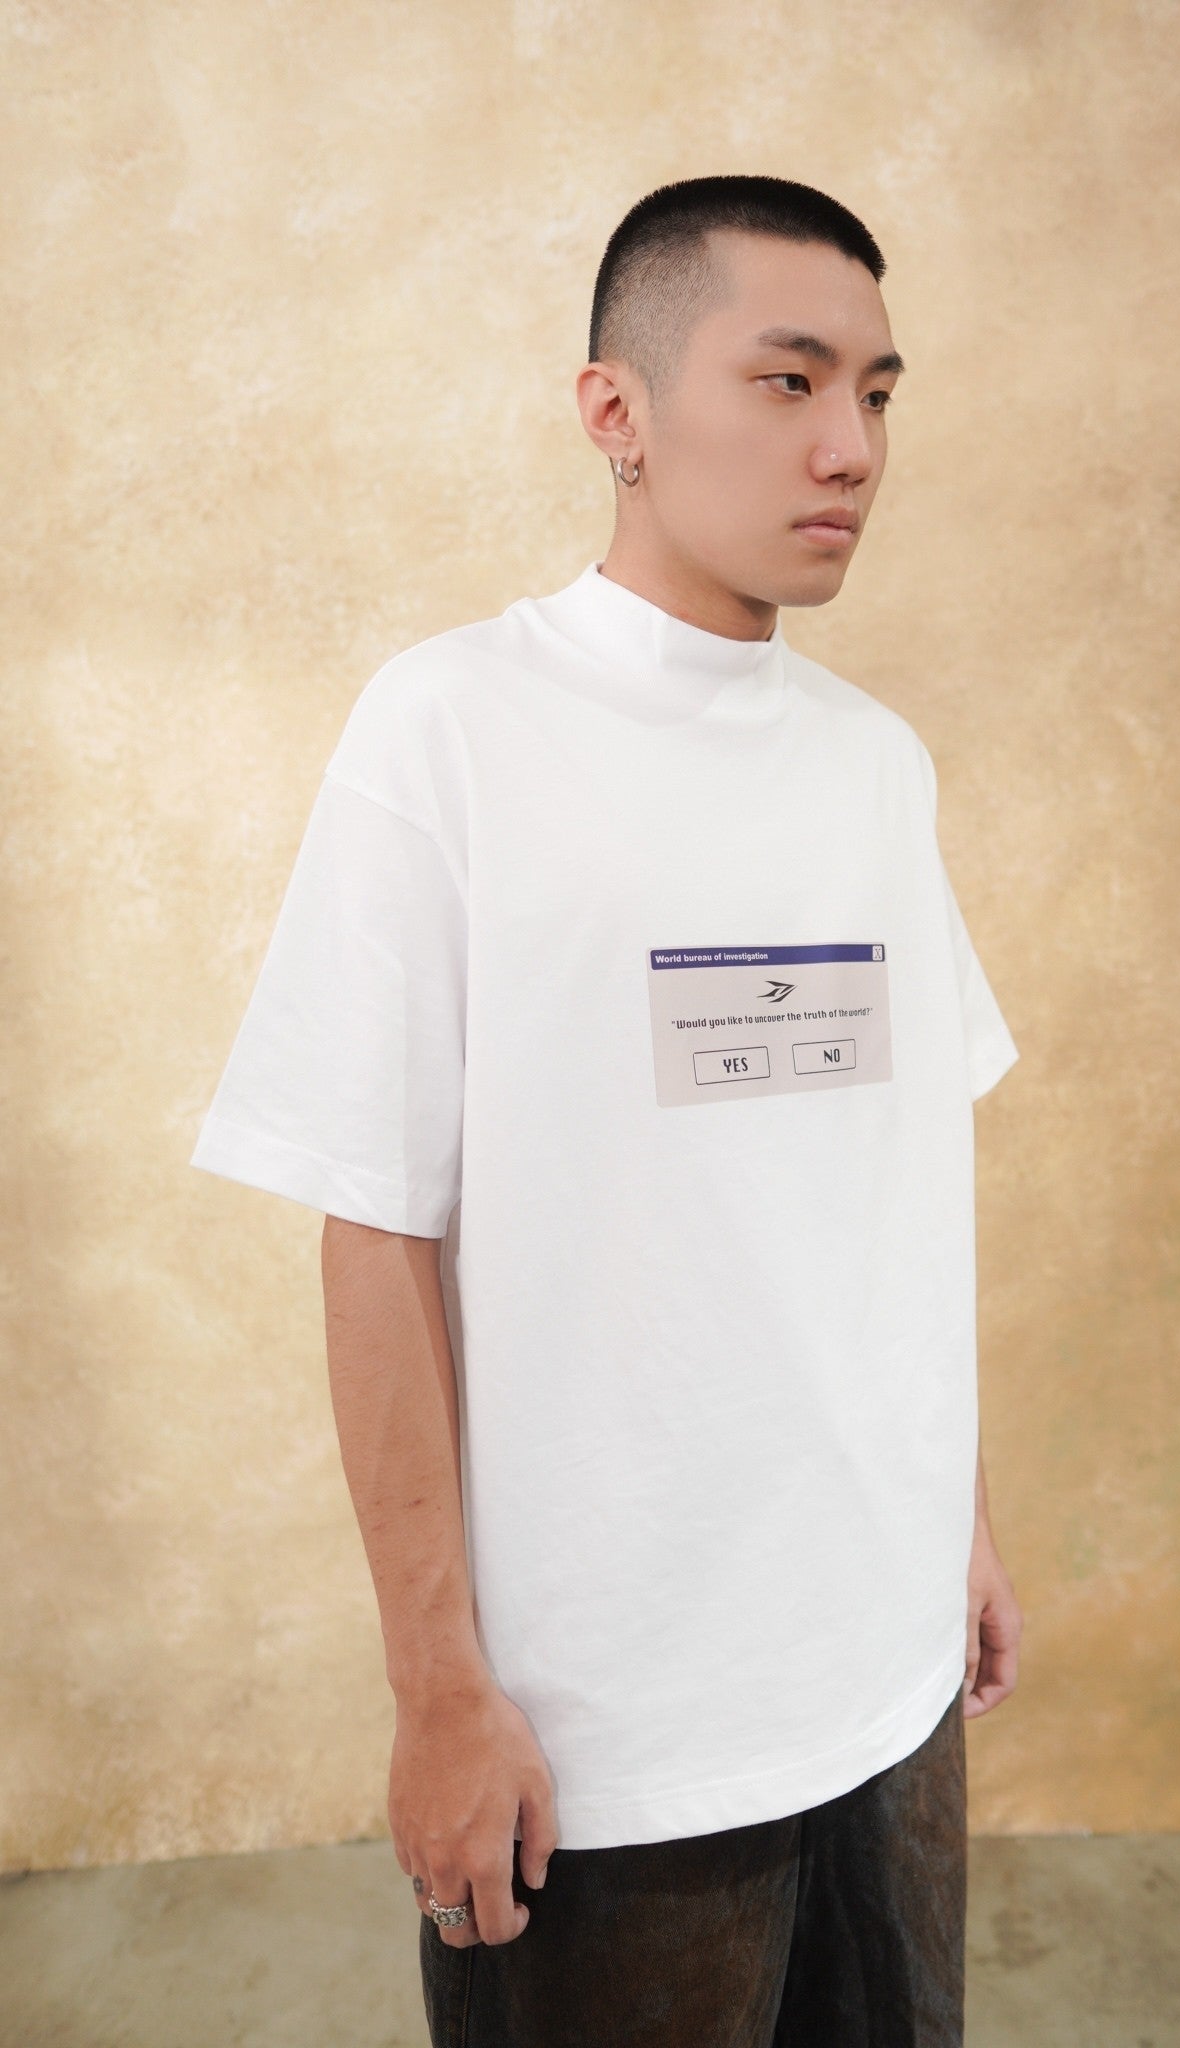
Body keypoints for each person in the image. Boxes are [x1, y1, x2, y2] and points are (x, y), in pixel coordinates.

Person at [189, 172, 1023, 2047]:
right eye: (787, 380)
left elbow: (891, 1190)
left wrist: (955, 1526)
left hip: (885, 1678)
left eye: (877, 392)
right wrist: (438, 1691)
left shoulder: (874, 766)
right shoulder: (451, 731)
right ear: (614, 410)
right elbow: (374, 1224)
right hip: (615, 1730)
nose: (849, 445)